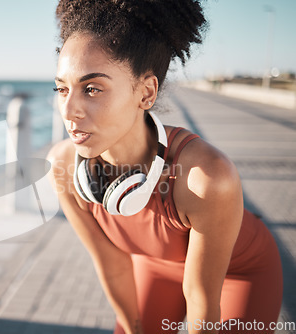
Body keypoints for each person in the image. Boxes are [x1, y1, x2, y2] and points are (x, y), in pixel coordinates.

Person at [47, 1, 283, 333]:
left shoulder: (206, 177)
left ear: (145, 92)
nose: (69, 110)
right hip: (156, 268)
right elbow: (112, 266)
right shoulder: (64, 167)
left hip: (238, 271)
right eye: (61, 88)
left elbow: (202, 297)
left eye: (92, 89)